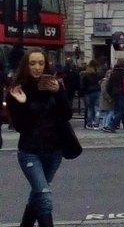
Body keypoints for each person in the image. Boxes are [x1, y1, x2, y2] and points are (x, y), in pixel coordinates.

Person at [6, 48, 72, 227]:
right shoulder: (17, 89)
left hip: (54, 152)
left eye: (41, 63)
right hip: (30, 151)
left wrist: (59, 93)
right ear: (25, 65)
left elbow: (66, 115)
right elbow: (20, 127)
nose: (37, 67)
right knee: (44, 197)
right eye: (32, 63)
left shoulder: (53, 86)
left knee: (37, 194)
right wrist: (23, 103)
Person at [103, 59, 124, 133]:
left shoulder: (113, 73)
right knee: (122, 111)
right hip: (123, 93)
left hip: (115, 94)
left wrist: (111, 93)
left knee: (118, 110)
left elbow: (109, 86)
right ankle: (112, 125)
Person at [79, 59, 102, 130]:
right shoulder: (98, 74)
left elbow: (82, 85)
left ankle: (89, 124)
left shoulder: (86, 74)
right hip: (97, 91)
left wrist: (82, 92)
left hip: (88, 92)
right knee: (97, 108)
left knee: (90, 109)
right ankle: (97, 124)